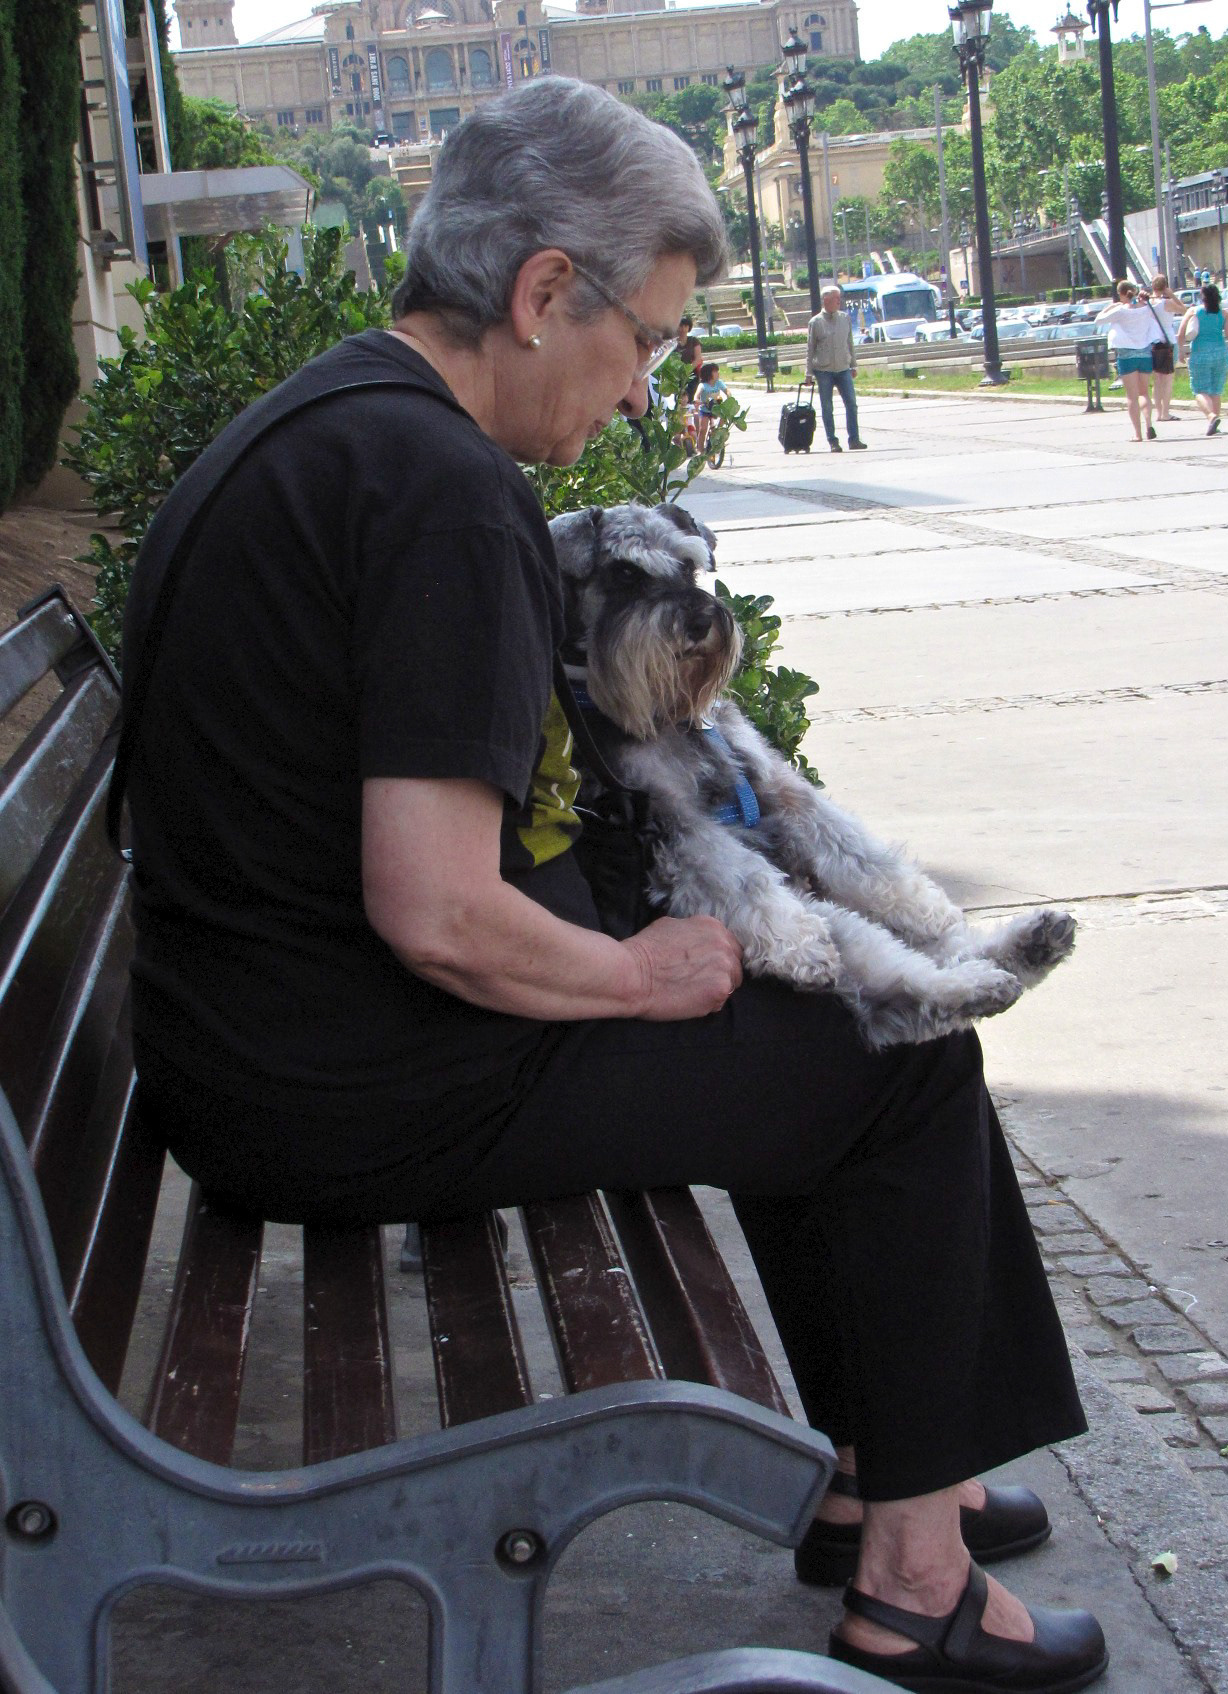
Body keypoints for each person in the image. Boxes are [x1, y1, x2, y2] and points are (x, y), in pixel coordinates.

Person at [120, 76, 1105, 1694]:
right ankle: (912, 1580)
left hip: (257, 1052)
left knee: (799, 1041)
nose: (643, 386)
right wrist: (640, 974)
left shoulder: (335, 422)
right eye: (643, 339)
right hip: (353, 1082)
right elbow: (437, 909)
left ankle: (884, 1465)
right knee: (899, 1060)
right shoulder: (444, 493)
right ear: (540, 293)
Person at [1096, 280, 1170, 443]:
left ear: (1121, 294)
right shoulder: (1146, 309)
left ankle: (1138, 433)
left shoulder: (1120, 311)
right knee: (1144, 393)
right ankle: (1149, 423)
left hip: (1126, 354)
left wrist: (1110, 306)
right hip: (1145, 353)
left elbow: (1098, 320)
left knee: (1132, 396)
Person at [1177, 281, 1228, 436]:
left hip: (1200, 354)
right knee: (1216, 390)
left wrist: (1181, 352)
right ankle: (1215, 423)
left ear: (1202, 298)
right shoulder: (1224, 314)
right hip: (1221, 355)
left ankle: (1211, 416)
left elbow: (1181, 334)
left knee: (1199, 390)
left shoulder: (1194, 311)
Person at [806, 285, 867, 452]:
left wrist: (853, 364)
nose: (839, 301)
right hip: (823, 370)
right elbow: (810, 349)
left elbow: (850, 343)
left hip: (843, 368)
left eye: (840, 298)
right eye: (836, 298)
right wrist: (808, 373)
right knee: (827, 407)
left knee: (851, 404)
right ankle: (832, 441)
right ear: (826, 300)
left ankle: (854, 439)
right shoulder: (815, 322)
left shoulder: (845, 318)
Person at [1147, 275, 1187, 423]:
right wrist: (1172, 295)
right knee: (1168, 380)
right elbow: (1185, 310)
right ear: (1165, 287)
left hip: (1153, 343)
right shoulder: (1167, 303)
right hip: (1168, 342)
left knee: (1157, 380)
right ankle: (1165, 413)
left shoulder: (1147, 303)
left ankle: (1158, 413)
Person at [693, 359, 728, 453]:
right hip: (705, 409)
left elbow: (727, 391)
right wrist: (697, 400)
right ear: (708, 374)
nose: (718, 373)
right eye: (715, 371)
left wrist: (729, 396)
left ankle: (717, 434)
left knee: (723, 417)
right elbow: (696, 396)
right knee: (703, 429)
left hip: (716, 408)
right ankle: (700, 450)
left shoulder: (719, 383)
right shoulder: (702, 385)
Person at [675, 312, 703, 402]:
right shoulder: (672, 343)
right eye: (681, 326)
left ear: (689, 328)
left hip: (691, 376)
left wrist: (687, 370)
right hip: (675, 376)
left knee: (690, 400)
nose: (683, 329)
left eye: (686, 326)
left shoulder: (693, 341)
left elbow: (698, 358)